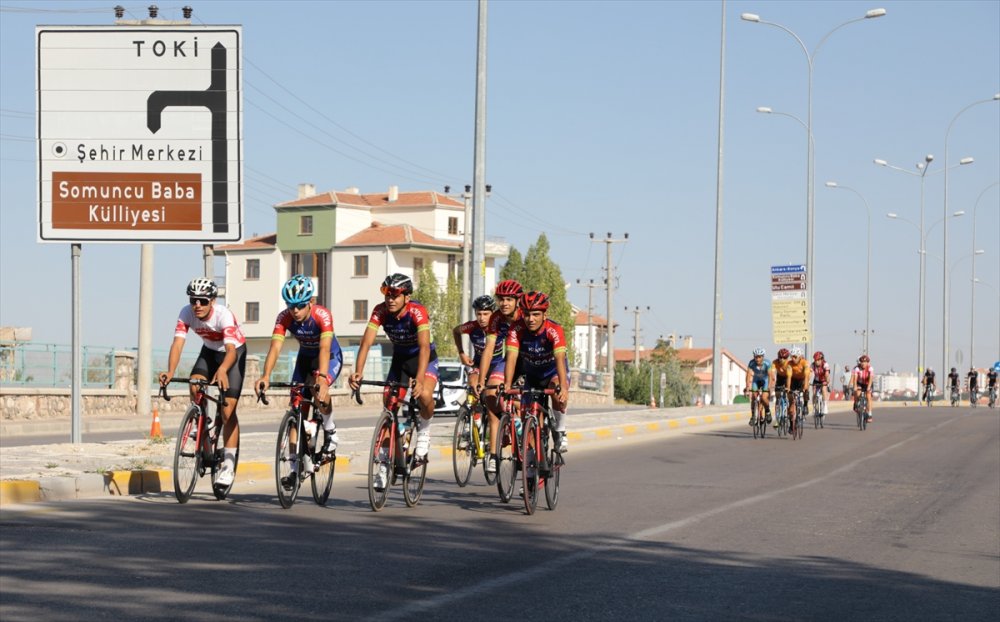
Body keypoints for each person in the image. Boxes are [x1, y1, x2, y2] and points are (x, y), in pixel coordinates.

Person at [348, 274, 438, 490]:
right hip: (400, 360)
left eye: (395, 295)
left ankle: (424, 431)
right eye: (387, 294)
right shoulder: (380, 311)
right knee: (389, 407)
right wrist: (358, 372)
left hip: (423, 359)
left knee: (424, 394)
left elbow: (425, 347)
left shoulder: (418, 311)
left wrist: (419, 378)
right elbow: (366, 342)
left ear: (407, 297)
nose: (390, 299)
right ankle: (384, 465)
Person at [257, 275, 344, 489]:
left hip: (329, 357)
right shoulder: (284, 317)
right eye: (290, 305)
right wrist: (266, 375)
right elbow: (276, 347)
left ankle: (331, 431)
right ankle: (294, 470)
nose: (294, 310)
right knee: (296, 410)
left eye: (299, 305)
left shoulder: (322, 316)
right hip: (304, 359)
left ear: (310, 303)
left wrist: (322, 380)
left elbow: (324, 348)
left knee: (317, 390)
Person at [159, 278, 247, 488]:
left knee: (227, 412)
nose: (197, 305)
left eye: (202, 301)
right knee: (195, 382)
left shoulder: (223, 315)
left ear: (212, 301)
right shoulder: (186, 312)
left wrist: (223, 369)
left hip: (233, 354)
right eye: (193, 300)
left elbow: (231, 351)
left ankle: (228, 464)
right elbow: (178, 343)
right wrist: (171, 371)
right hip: (209, 352)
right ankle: (203, 420)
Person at [502, 291, 570, 453]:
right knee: (528, 419)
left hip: (553, 373)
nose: (530, 319)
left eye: (536, 314)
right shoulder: (516, 329)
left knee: (557, 393)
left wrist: (564, 388)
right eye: (526, 314)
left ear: (544, 314)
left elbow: (560, 358)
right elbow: (511, 357)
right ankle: (532, 461)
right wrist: (506, 384)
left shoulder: (554, 330)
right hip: (532, 376)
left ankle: (560, 431)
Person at [475, 279, 524, 471]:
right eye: (501, 299)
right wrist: (481, 380)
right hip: (508, 359)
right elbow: (488, 350)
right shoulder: (496, 318)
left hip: (528, 359)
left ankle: (526, 428)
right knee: (490, 394)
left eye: (509, 299)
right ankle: (496, 450)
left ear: (517, 301)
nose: (504, 303)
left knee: (527, 401)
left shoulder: (526, 315)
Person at [452, 295, 500, 396]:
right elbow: (456, 331)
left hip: (497, 365)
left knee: (494, 395)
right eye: (479, 314)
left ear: (493, 313)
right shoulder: (472, 326)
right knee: (473, 385)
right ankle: (475, 410)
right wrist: (461, 353)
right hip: (478, 364)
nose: (482, 318)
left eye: (486, 314)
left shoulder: (501, 327)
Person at [786, 346, 811, 429]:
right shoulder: (789, 364)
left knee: (806, 390)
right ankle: (791, 424)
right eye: (791, 356)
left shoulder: (805, 363)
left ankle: (805, 405)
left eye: (795, 357)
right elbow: (789, 377)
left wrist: (805, 388)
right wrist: (788, 388)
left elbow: (807, 377)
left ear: (800, 356)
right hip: (793, 380)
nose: (793, 358)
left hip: (802, 379)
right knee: (791, 404)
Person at [744, 347, 771, 425]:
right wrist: (747, 387)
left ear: (763, 357)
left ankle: (768, 411)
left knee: (764, 397)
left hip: (765, 381)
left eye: (759, 357)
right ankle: (753, 416)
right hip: (756, 380)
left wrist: (769, 386)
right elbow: (748, 375)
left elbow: (770, 376)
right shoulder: (751, 363)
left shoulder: (767, 363)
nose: (757, 359)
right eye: (756, 357)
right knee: (753, 397)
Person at [769, 348, 791, 429]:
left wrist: (788, 387)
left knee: (789, 396)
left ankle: (789, 413)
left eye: (784, 358)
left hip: (788, 378)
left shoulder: (789, 364)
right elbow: (772, 374)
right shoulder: (775, 362)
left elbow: (789, 377)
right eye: (780, 357)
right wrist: (771, 385)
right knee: (778, 398)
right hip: (780, 378)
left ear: (787, 358)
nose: (781, 359)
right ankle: (777, 419)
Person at [850, 354, 874, 422]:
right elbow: (855, 379)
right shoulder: (857, 368)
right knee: (857, 393)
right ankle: (856, 403)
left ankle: (869, 414)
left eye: (865, 362)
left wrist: (869, 387)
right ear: (860, 362)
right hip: (859, 383)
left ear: (867, 363)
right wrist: (854, 386)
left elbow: (871, 378)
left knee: (868, 396)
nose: (863, 363)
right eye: (862, 362)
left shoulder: (870, 368)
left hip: (867, 383)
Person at [810, 351, 831, 419]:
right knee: (814, 393)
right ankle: (814, 407)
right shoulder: (812, 365)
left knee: (824, 389)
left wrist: (827, 382)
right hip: (816, 380)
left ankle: (825, 406)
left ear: (822, 359)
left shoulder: (825, 364)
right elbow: (810, 374)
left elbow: (827, 374)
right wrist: (808, 381)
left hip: (823, 380)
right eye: (815, 360)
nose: (817, 362)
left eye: (818, 360)